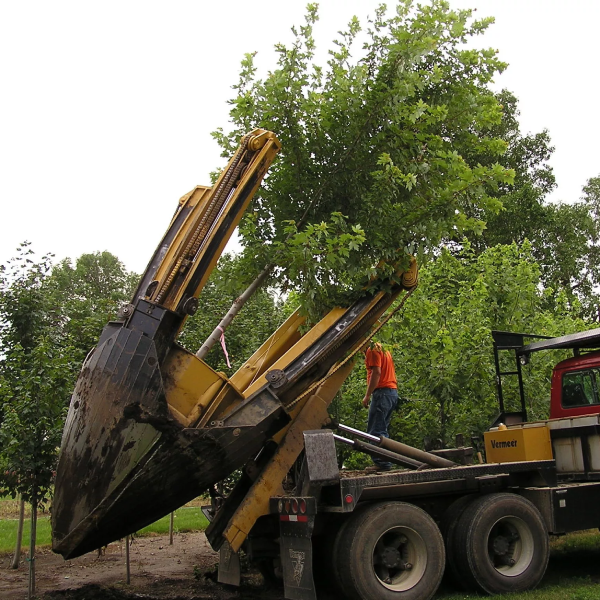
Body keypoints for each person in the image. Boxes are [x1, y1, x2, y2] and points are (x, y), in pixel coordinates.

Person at [362, 342, 398, 471]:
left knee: (376, 431)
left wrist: (367, 395)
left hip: (382, 393)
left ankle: (382, 464)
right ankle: (385, 461)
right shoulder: (383, 348)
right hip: (391, 392)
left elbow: (376, 372)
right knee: (382, 430)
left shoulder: (371, 350)